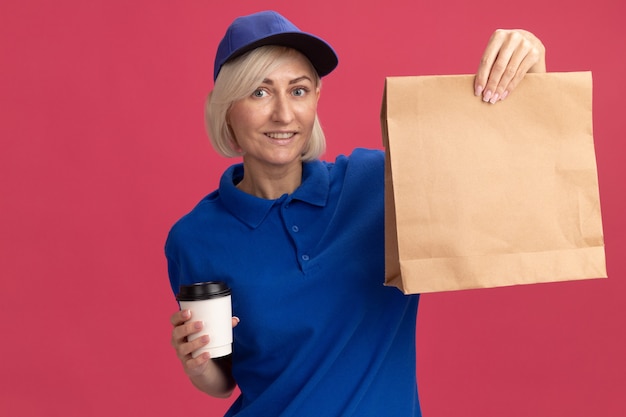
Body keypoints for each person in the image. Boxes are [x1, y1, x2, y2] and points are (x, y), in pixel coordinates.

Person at [165, 10, 546, 417]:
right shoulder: (196, 238)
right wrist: (199, 367)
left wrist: (534, 73)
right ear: (226, 109)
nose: (283, 114)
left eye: (298, 90)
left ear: (316, 99)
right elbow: (224, 380)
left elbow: (509, 178)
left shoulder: (379, 184)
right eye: (259, 92)